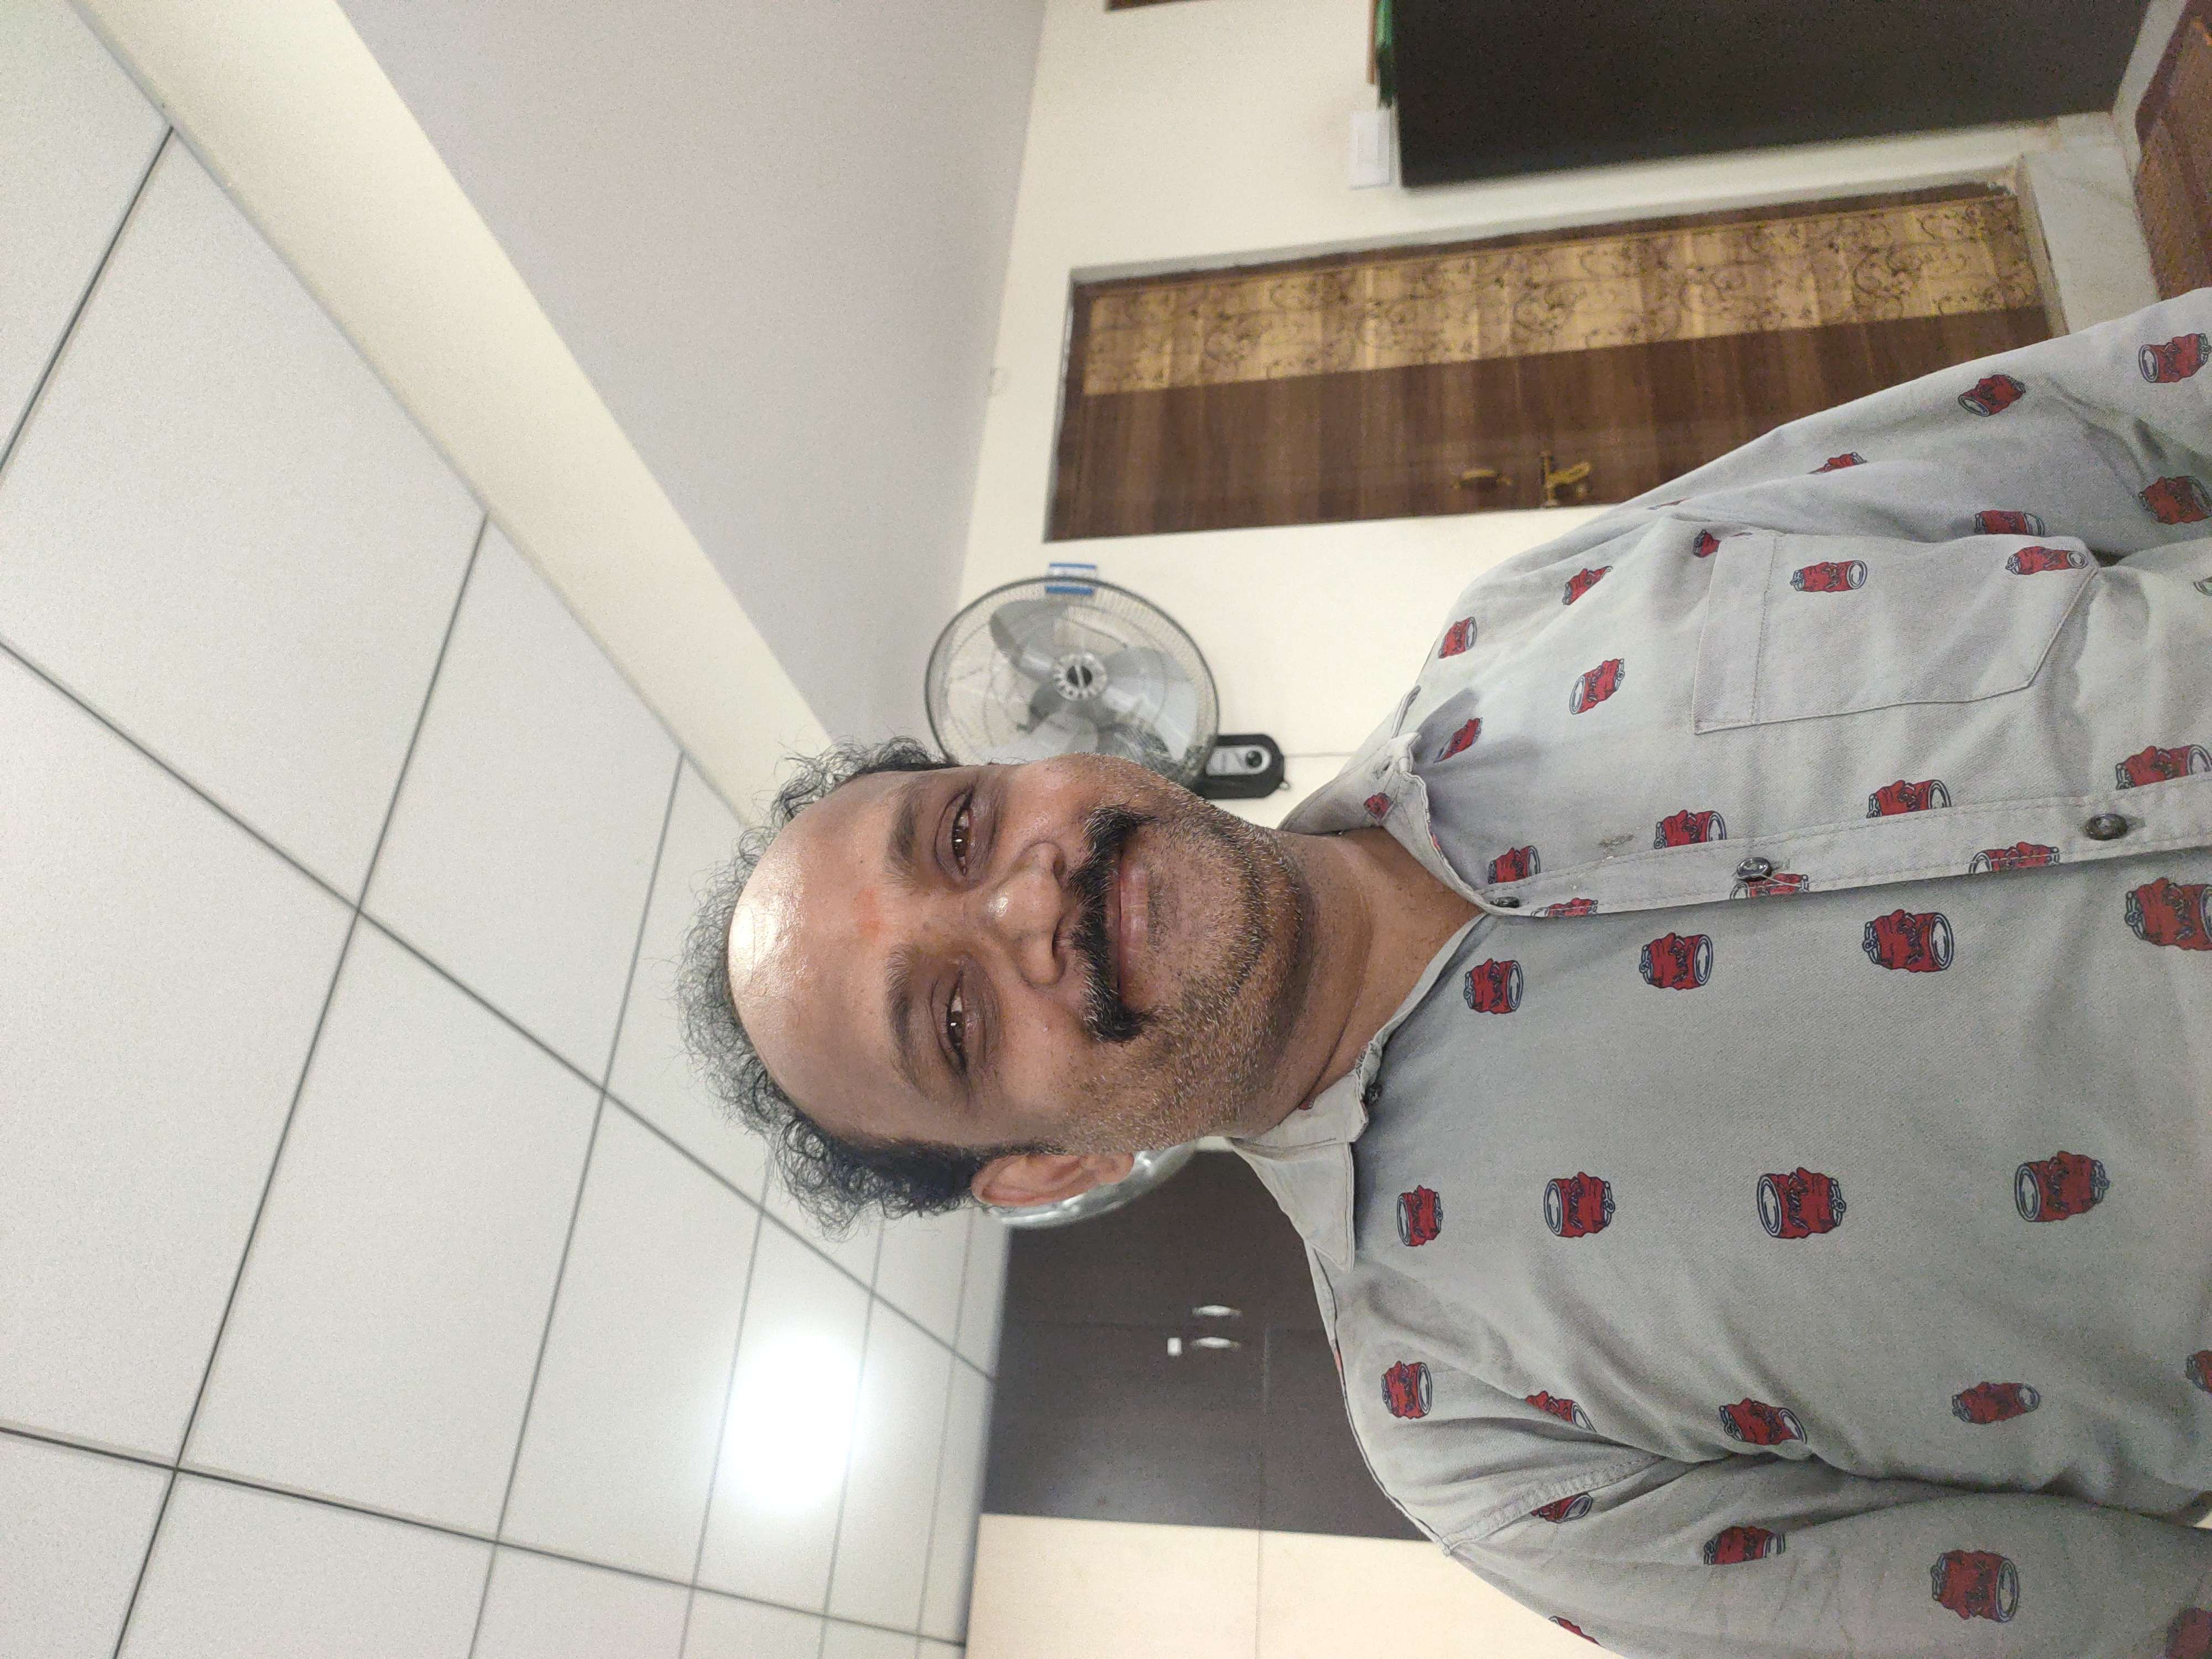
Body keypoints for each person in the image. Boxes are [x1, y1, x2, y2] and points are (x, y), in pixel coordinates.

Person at [680, 289, 2212, 1655]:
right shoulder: (1483, 1440)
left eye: (961, 832)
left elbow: (2109, 422)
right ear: (1047, 1166)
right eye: (954, 1017)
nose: (1027, 901)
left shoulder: (1540, 611)